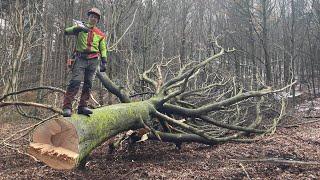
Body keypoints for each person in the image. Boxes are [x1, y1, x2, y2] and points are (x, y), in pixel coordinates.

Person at [62, 7, 107, 117]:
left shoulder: (100, 34)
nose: (93, 18)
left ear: (98, 20)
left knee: (88, 84)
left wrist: (104, 61)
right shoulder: (80, 27)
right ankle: (67, 107)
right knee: (75, 82)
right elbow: (66, 31)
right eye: (92, 16)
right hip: (80, 58)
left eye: (96, 17)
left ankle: (82, 106)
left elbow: (103, 48)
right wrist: (76, 30)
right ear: (88, 17)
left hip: (93, 60)